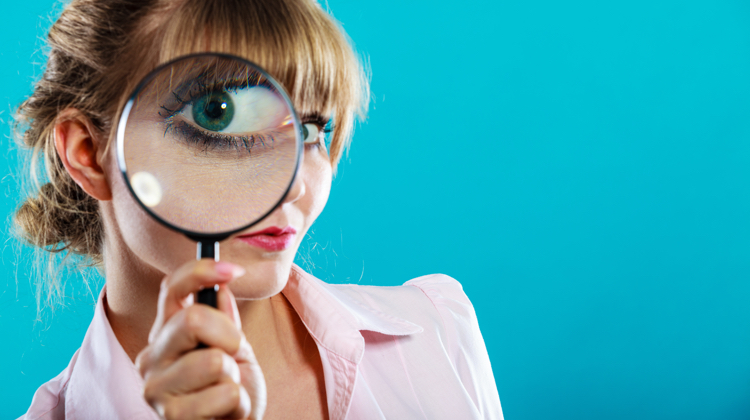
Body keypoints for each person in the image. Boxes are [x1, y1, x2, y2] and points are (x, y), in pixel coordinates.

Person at [15, 0, 503, 419]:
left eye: (311, 129)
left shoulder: (437, 335)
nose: (292, 185)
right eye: (219, 113)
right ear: (87, 152)